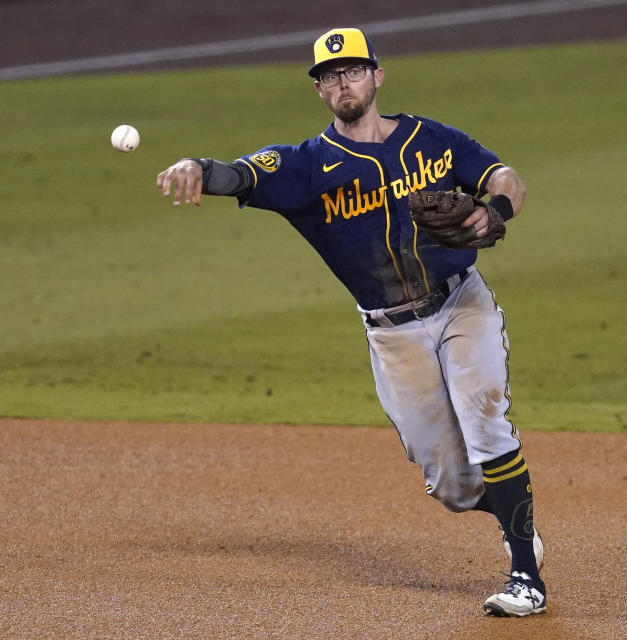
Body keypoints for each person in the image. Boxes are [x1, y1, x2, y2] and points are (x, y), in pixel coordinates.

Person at [156, 27, 546, 618]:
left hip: (461, 304)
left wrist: (491, 211)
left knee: (486, 420)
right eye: (330, 76)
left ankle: (526, 576)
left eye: (354, 71)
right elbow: (241, 173)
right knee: (452, 484)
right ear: (320, 90)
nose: (344, 82)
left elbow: (505, 179)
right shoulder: (307, 167)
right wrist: (196, 166)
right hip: (391, 332)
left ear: (377, 76)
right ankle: (519, 528)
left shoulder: (432, 139)